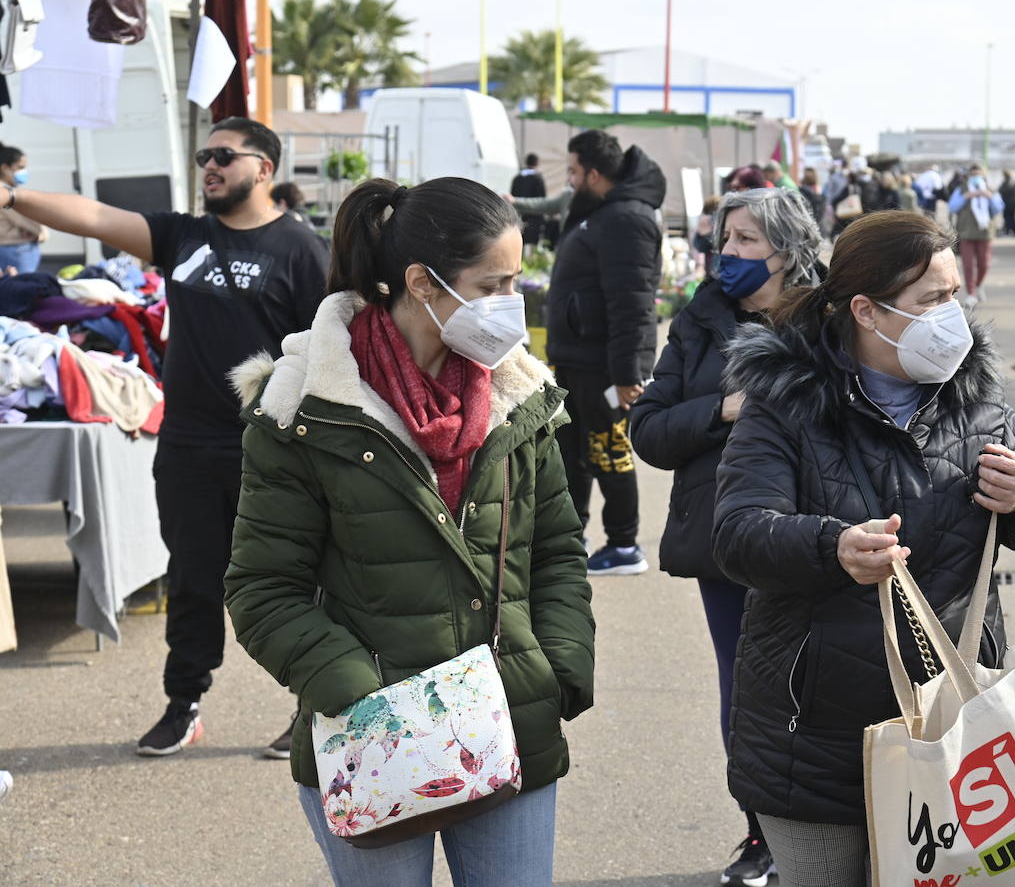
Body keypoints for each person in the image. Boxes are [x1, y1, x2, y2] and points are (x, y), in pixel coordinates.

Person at [223, 176, 595, 886]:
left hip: (512, 719)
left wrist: (560, 667)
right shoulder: (306, 408)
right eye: (495, 283)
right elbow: (263, 588)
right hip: (373, 737)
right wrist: (366, 696)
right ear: (423, 283)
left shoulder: (521, 397)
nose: (511, 304)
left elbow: (557, 553)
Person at [709, 210, 1015, 885]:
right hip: (818, 742)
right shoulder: (784, 400)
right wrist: (832, 546)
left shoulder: (977, 396)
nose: (952, 315)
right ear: (865, 311)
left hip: (959, 728)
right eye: (932, 300)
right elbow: (737, 533)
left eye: (954, 294)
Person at [7, 117, 328, 758]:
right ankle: (184, 703)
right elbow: (94, 216)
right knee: (191, 580)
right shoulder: (185, 235)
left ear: (263, 169)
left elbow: (326, 352)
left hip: (272, 449)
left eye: (224, 155)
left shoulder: (301, 249)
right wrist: (11, 198)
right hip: (187, 444)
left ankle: (314, 709)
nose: (209, 164)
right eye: (204, 154)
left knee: (296, 581)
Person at [631, 187, 823, 887]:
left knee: (820, 682)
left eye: (745, 241)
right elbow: (649, 430)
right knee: (745, 690)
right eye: (725, 239)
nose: (728, 254)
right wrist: (724, 408)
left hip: (814, 534)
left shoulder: (829, 321)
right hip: (727, 540)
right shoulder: (700, 319)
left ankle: (841, 826)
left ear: (788, 248)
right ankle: (762, 834)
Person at [546, 129, 665, 575]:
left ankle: (623, 545)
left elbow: (632, 302)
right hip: (580, 359)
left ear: (594, 174)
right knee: (573, 452)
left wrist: (626, 374)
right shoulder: (603, 212)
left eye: (574, 171)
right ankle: (573, 535)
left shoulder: (625, 219)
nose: (570, 180)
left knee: (607, 452)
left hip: (604, 367)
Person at [948, 165, 1005, 303]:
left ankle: (978, 284)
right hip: (966, 232)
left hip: (985, 232)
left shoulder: (990, 190)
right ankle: (971, 293)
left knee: (984, 264)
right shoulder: (961, 189)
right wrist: (967, 196)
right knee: (968, 264)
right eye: (973, 174)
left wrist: (989, 196)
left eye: (978, 174)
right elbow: (952, 207)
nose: (975, 177)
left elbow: (999, 207)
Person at [0, 143, 47, 273]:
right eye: (20, 167)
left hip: (11, 247)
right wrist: (40, 232)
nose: (23, 171)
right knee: (23, 287)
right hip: (17, 249)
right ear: (5, 168)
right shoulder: (5, 192)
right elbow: (21, 219)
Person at [511, 152, 549, 248]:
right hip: (534, 217)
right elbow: (542, 200)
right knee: (532, 245)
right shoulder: (538, 178)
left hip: (519, 216)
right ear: (537, 164)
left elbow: (512, 197)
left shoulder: (517, 178)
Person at [997, 169, 1015, 235]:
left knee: (1008, 217)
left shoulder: (1007, 182)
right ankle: (1013, 230)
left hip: (1008, 203)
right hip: (1012, 202)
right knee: (1012, 217)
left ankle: (1009, 230)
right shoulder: (1012, 181)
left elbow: (1002, 190)